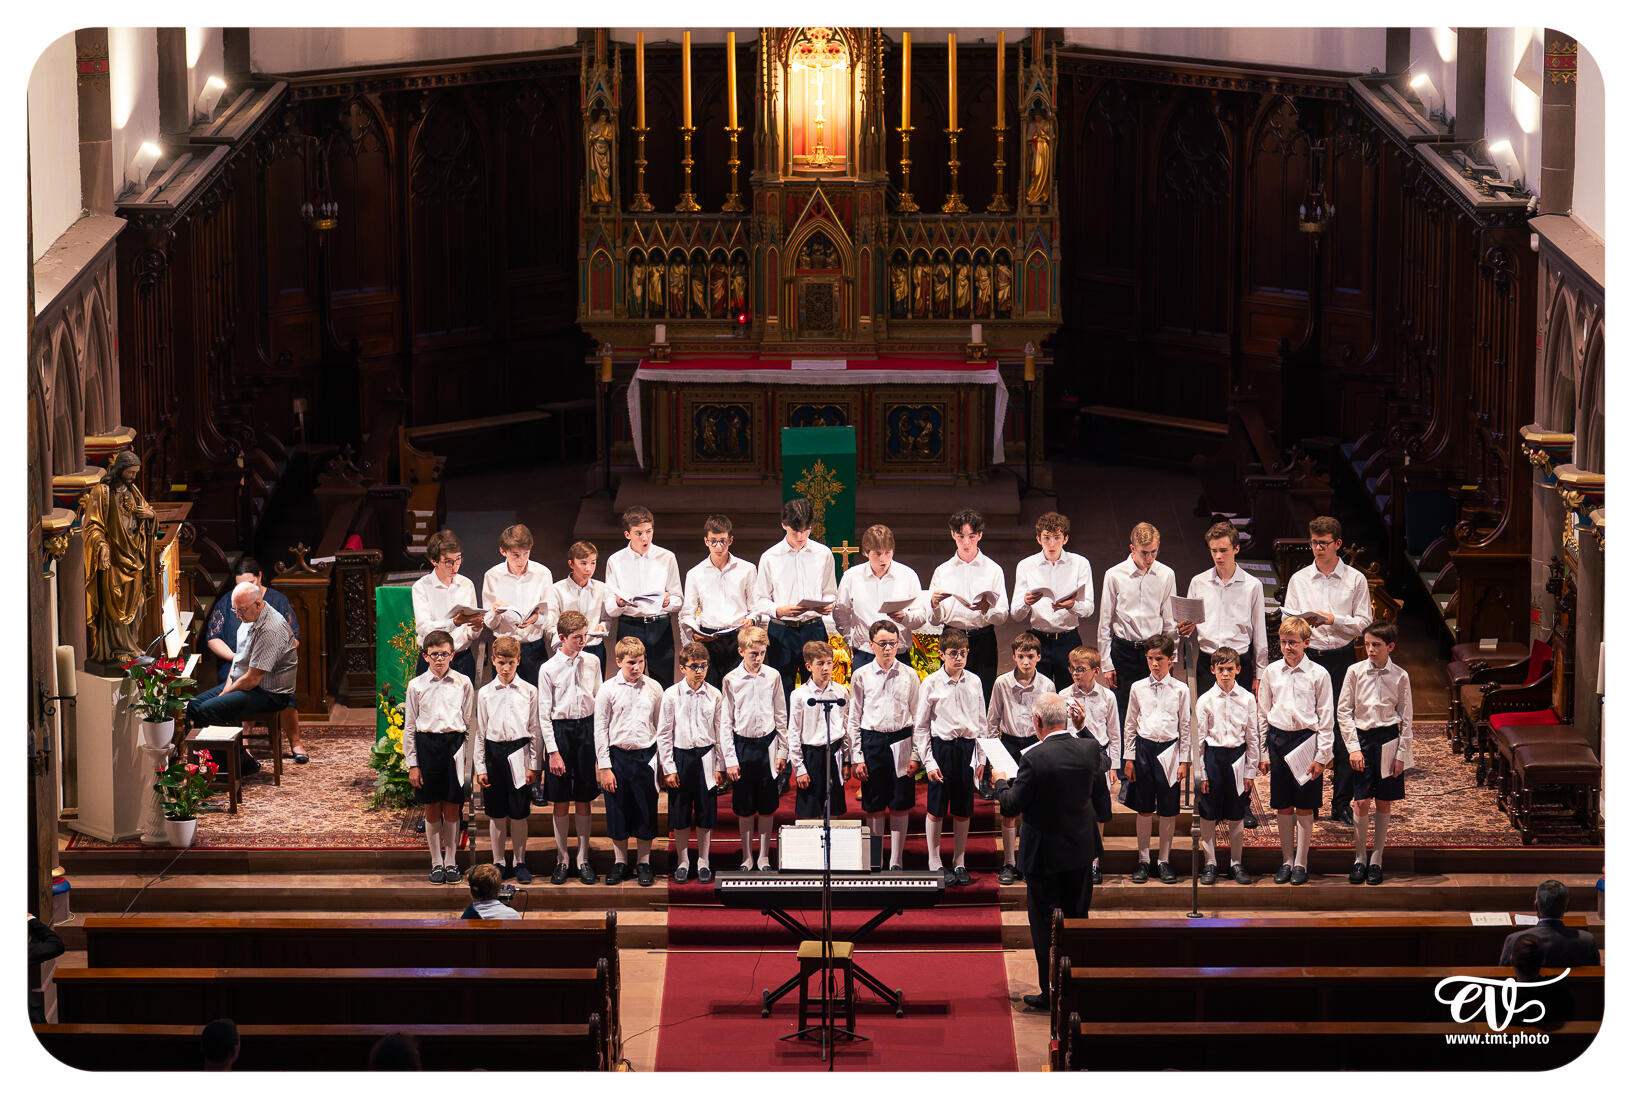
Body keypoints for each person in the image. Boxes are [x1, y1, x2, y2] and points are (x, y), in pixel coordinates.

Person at [991, 692, 1106, 1011]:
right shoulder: (1088, 747)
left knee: (1044, 925)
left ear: (1037, 722)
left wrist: (1000, 782)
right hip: (1081, 850)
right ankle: (1075, 985)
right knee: (1077, 919)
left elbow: (1013, 804)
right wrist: (1083, 729)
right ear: (1068, 719)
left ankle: (1050, 990)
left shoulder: (1034, 759)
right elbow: (1104, 763)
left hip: (1044, 856)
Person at [1280, 516, 1372, 826]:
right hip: (1310, 658)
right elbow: (1288, 621)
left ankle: (1341, 802)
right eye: (1314, 543)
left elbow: (1364, 623)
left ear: (1338, 544)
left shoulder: (1355, 580)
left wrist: (1333, 619)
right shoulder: (1300, 580)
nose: (1318, 549)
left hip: (1343, 659)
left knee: (1343, 728)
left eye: (1324, 544)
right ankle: (1310, 799)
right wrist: (1306, 625)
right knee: (1310, 729)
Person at [185, 581, 300, 774]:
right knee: (195, 705)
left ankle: (227, 770)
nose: (238, 615)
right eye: (235, 610)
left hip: (271, 692)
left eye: (242, 610)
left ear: (258, 604)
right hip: (252, 682)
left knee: (209, 710)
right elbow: (239, 662)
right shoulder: (249, 618)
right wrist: (225, 690)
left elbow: (252, 679)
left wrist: (223, 696)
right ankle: (231, 760)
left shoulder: (270, 629)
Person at [203, 558, 307, 763]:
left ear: (259, 577)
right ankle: (241, 745)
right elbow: (212, 638)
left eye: (250, 583)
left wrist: (266, 659)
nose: (244, 588)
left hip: (271, 665)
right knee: (235, 687)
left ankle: (295, 742)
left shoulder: (277, 601)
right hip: (236, 661)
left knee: (276, 688)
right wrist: (235, 657)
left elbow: (294, 639)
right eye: (239, 584)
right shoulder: (228, 601)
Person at [1336, 622, 1414, 885]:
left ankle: (1377, 858)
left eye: (1376, 645)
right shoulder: (1354, 672)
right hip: (1363, 739)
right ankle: (1359, 857)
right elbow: (1343, 712)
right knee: (1360, 801)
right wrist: (1353, 748)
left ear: (1390, 646)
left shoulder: (1401, 676)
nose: (1370, 649)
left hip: (1388, 738)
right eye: (1367, 644)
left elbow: (1407, 718)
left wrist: (1402, 754)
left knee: (1383, 800)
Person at [1257, 616, 1333, 885]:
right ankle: (1286, 860)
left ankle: (1301, 862)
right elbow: (1262, 714)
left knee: (1304, 806)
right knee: (1282, 805)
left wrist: (1322, 757)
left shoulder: (1319, 674)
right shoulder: (1271, 672)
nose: (1288, 647)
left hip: (1306, 742)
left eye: (1294, 643)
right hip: (1278, 741)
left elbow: (1326, 719)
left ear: (1307, 643)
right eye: (1284, 642)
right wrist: (1263, 752)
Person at [848, 619, 922, 870]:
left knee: (900, 803)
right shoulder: (861, 675)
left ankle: (896, 860)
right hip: (873, 741)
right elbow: (854, 718)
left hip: (901, 738)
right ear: (871, 645)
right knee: (874, 802)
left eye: (892, 643)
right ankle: (875, 858)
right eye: (883, 644)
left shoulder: (909, 674)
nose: (888, 648)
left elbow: (918, 717)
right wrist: (857, 757)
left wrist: (915, 754)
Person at [403, 630, 476, 885]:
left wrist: (467, 759)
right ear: (425, 656)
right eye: (434, 655)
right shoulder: (417, 685)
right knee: (432, 806)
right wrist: (413, 763)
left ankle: (452, 861)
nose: (439, 659)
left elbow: (468, 722)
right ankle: (436, 862)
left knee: (453, 806)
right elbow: (410, 726)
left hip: (454, 745)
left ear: (453, 654)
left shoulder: (463, 683)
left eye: (444, 654)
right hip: (427, 746)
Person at [913, 628, 984, 886]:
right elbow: (921, 727)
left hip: (967, 750)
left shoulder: (974, 681)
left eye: (963, 653)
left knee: (963, 809)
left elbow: (982, 722)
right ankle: (934, 861)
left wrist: (981, 760)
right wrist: (928, 762)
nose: (959, 658)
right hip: (942, 749)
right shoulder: (931, 683)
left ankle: (959, 861)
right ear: (942, 654)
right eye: (953, 653)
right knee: (937, 808)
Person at [594, 636, 665, 886]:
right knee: (618, 811)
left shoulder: (655, 688)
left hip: (646, 755)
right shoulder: (608, 689)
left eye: (640, 662)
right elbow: (600, 728)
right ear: (618, 662)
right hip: (618, 757)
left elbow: (661, 727)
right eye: (631, 663)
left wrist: (662, 764)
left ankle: (644, 862)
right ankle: (620, 861)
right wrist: (604, 766)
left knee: (646, 811)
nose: (636, 667)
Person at [538, 610, 602, 884]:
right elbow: (544, 713)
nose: (583, 641)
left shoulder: (593, 661)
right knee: (561, 800)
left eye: (585, 635)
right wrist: (552, 751)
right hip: (561, 732)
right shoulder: (548, 668)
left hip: (586, 730)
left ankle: (583, 858)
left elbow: (599, 702)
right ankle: (562, 859)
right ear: (562, 637)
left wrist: (600, 748)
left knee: (585, 799)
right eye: (577, 637)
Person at [78, 449, 157, 670]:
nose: (133, 477)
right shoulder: (102, 492)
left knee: (138, 604)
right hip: (113, 561)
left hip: (134, 557)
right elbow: (92, 526)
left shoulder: (133, 490)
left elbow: (147, 512)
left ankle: (131, 646)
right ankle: (115, 650)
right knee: (114, 605)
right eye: (131, 472)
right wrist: (102, 546)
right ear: (120, 469)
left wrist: (151, 517)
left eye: (135, 473)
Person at [1121, 634, 1191, 884]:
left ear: (1171, 659)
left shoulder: (1181, 689)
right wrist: (1128, 758)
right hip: (1143, 751)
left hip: (1170, 751)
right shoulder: (1138, 687)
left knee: (1168, 809)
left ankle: (1163, 859)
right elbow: (1130, 723)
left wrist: (1184, 760)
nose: (1154, 663)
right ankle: (1143, 859)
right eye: (1150, 658)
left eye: (1159, 659)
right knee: (1144, 809)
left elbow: (1185, 725)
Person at [754, 497, 837, 704]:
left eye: (806, 530)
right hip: (782, 631)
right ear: (784, 525)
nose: (801, 536)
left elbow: (830, 592)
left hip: (813, 628)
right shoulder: (770, 557)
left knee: (819, 688)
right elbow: (760, 599)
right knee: (783, 690)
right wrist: (779, 610)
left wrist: (827, 604)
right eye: (795, 531)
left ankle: (816, 736)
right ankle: (786, 736)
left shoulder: (823, 554)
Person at [986, 632, 1054, 884]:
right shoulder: (1001, 683)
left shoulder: (1047, 685)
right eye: (1021, 656)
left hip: (1037, 745)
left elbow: (1051, 721)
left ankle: (1028, 860)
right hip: (1009, 744)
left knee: (1034, 808)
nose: (1026, 662)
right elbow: (992, 721)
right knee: (1009, 808)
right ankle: (1009, 863)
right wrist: (993, 758)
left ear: (1039, 657)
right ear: (1013, 656)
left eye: (1031, 657)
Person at [474, 636, 543, 883]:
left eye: (511, 662)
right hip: (494, 753)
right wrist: (480, 766)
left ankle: (520, 861)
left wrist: (535, 765)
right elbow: (480, 732)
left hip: (519, 752)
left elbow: (535, 730)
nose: (505, 668)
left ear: (519, 661)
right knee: (496, 812)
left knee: (519, 812)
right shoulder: (484, 694)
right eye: (501, 662)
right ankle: (499, 861)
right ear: (492, 661)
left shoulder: (529, 691)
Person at [720, 625, 789, 872]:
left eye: (761, 653)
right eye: (753, 654)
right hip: (743, 747)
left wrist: (782, 751)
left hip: (768, 746)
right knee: (745, 806)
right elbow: (726, 722)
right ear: (741, 651)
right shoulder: (731, 680)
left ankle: (764, 857)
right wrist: (730, 759)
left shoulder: (773, 676)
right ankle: (747, 856)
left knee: (768, 806)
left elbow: (781, 715)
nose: (758, 658)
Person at [1192, 647, 1263, 885]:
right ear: (1212, 670)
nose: (1225, 674)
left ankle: (1236, 862)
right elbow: (1199, 740)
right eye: (1220, 669)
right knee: (1208, 814)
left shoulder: (1247, 699)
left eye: (1230, 669)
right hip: (1213, 759)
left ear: (1238, 670)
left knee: (1236, 814)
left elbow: (1253, 736)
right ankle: (1210, 863)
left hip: (1237, 758)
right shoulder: (1205, 700)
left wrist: (1250, 771)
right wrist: (1201, 773)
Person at [658, 642, 724, 883]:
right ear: (682, 668)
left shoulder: (715, 694)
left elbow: (720, 732)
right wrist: (669, 767)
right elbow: (664, 733)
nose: (699, 671)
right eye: (694, 666)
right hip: (681, 756)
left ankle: (704, 860)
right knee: (680, 812)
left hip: (706, 756)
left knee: (706, 813)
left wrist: (720, 766)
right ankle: (683, 859)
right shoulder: (671, 694)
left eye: (703, 666)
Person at [927, 508, 1009, 705]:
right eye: (961, 536)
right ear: (953, 534)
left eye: (971, 536)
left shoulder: (993, 569)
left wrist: (986, 608)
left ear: (980, 535)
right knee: (950, 696)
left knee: (983, 695)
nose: (966, 542)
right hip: (951, 637)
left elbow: (1003, 615)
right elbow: (933, 619)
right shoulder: (943, 571)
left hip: (983, 638)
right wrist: (935, 604)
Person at [1179, 521, 1269, 697]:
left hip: (1238, 662)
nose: (1218, 556)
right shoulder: (1199, 582)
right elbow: (1188, 626)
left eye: (1223, 550)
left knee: (1239, 718)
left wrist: (1261, 674)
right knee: (1208, 718)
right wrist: (1186, 628)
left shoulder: (1253, 585)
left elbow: (1260, 633)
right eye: (1214, 551)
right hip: (1208, 661)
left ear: (1236, 549)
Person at [1098, 522, 1177, 722]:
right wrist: (1106, 664)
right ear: (1132, 549)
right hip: (1124, 650)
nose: (1150, 558)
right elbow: (1105, 622)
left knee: (1155, 708)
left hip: (1155, 651)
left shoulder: (1166, 574)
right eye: (1144, 553)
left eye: (1154, 552)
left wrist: (1171, 656)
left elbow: (1169, 620)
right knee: (1123, 711)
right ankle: (1125, 754)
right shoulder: (1114, 574)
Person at [1011, 512, 1095, 689]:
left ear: (1065, 539)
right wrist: (1026, 602)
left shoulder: (1080, 564)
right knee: (1038, 697)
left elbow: (1089, 609)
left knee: (1070, 695)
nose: (1051, 543)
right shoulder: (1026, 565)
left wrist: (1073, 605)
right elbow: (1016, 615)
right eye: (1046, 537)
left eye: (1057, 537)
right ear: (1038, 539)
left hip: (1068, 638)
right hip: (1038, 639)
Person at [605, 507, 684, 689]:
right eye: (639, 533)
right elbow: (610, 606)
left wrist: (668, 601)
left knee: (663, 682)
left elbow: (678, 600)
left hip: (659, 626)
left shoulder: (666, 557)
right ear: (627, 534)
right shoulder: (615, 561)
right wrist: (618, 602)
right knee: (627, 682)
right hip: (629, 624)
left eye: (649, 532)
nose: (645, 538)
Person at [834, 524, 926, 674]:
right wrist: (849, 640)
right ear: (866, 552)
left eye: (887, 553)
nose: (883, 559)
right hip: (865, 653)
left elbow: (921, 616)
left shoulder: (907, 576)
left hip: (899, 654)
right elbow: (841, 613)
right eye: (877, 553)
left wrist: (905, 617)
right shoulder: (852, 576)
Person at [1063, 645, 1119, 883]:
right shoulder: (1064, 695)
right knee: (1072, 810)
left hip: (1098, 757)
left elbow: (1114, 733)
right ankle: (1073, 859)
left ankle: (1095, 861)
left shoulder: (1108, 696)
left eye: (1081, 669)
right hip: (1072, 758)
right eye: (1073, 669)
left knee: (1097, 811)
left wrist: (1114, 765)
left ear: (1096, 671)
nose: (1076, 674)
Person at [680, 515, 757, 688]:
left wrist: (751, 619)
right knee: (711, 690)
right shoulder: (695, 573)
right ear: (706, 541)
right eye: (713, 541)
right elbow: (688, 612)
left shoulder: (747, 569)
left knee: (738, 689)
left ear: (730, 540)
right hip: (709, 638)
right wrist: (694, 632)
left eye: (722, 541)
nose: (718, 546)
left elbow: (755, 607)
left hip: (738, 635)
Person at [481, 523, 557, 691]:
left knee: (536, 700)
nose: (521, 560)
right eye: (515, 555)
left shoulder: (542, 573)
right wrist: (495, 613)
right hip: (503, 648)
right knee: (503, 700)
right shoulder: (492, 576)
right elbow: (489, 623)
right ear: (503, 551)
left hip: (533, 647)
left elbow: (552, 617)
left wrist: (537, 619)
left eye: (526, 554)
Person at [789, 639, 851, 820]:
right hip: (811, 755)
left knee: (835, 811)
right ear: (809, 667)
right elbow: (793, 733)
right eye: (820, 664)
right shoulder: (799, 695)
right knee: (810, 813)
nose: (826, 668)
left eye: (829, 663)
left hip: (834, 753)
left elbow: (845, 727)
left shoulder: (841, 692)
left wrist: (847, 760)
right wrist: (799, 768)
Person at [411, 529, 484, 682]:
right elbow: (424, 629)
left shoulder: (466, 584)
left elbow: (470, 634)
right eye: (448, 561)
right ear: (434, 561)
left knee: (465, 706)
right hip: (432, 661)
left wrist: (476, 627)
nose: (455, 566)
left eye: (458, 559)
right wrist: (454, 623)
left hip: (461, 658)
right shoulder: (421, 587)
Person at [1499, 880, 1601, 967]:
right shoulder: (1587, 941)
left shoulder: (1515, 940)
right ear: (1567, 907)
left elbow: (1503, 977)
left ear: (1536, 906)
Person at [553, 540, 611, 678]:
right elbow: (553, 623)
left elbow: (606, 619)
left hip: (594, 647)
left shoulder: (601, 588)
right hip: (568, 649)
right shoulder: (558, 590)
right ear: (571, 564)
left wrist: (602, 628)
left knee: (594, 692)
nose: (589, 568)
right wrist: (561, 647)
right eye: (583, 563)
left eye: (593, 563)